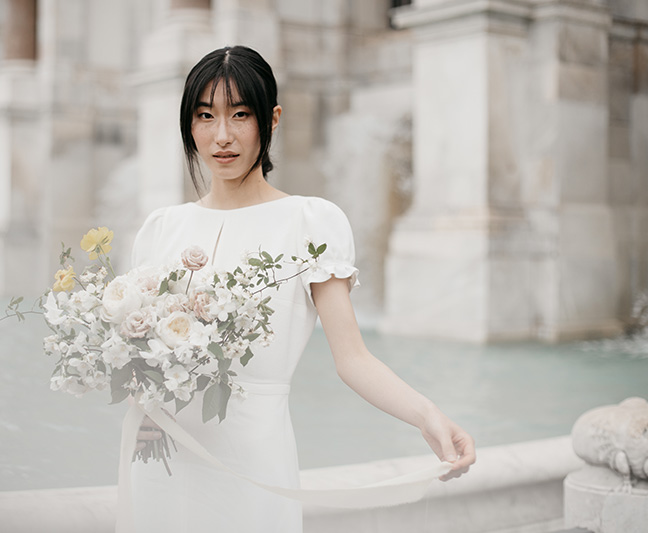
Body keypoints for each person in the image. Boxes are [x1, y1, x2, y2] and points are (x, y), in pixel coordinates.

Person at [126, 45, 475, 532]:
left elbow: (352, 358)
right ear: (189, 125)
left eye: (240, 115)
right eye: (205, 116)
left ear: (272, 119)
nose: (221, 135)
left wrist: (427, 415)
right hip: (161, 455)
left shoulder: (309, 223)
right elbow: (139, 359)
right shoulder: (161, 229)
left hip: (252, 454)